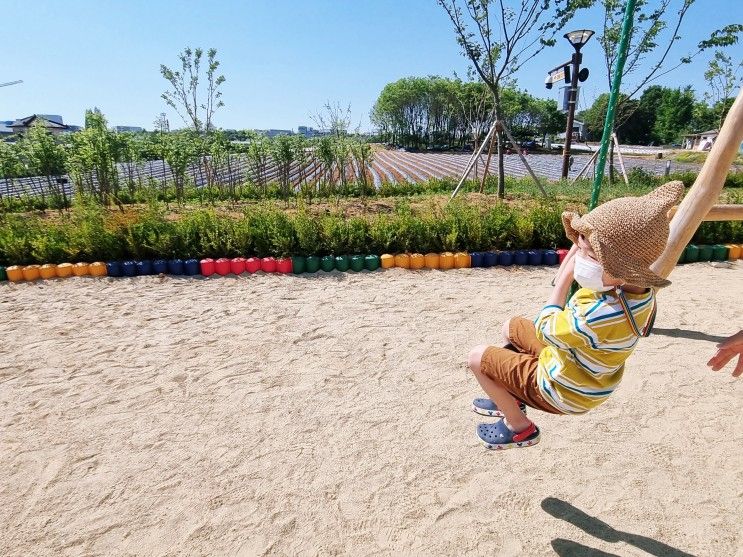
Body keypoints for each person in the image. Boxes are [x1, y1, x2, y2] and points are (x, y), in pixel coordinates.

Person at [467, 181, 684, 450]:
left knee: (477, 357)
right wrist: (583, 248)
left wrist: (563, 279)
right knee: (511, 327)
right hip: (580, 369)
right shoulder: (638, 293)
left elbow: (545, 327)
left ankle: (519, 427)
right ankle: (509, 397)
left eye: (590, 255)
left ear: (623, 268)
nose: (580, 259)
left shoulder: (599, 315)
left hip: (566, 391)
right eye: (580, 250)